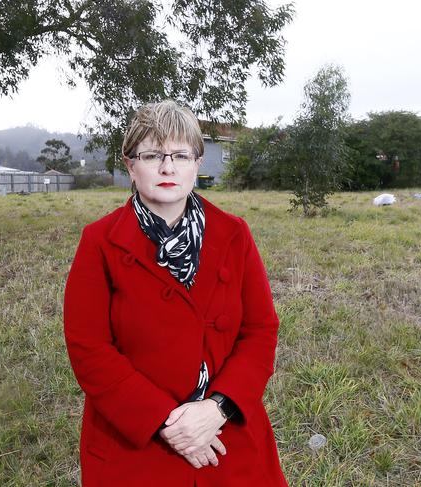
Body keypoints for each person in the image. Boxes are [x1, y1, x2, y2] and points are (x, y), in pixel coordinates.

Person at [63, 100, 287, 486]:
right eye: (152, 155)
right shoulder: (99, 241)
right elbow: (88, 348)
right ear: (130, 165)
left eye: (180, 155)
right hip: (136, 441)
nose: (168, 167)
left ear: (197, 163)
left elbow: (260, 331)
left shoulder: (234, 234)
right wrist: (169, 424)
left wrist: (217, 408)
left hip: (225, 434)